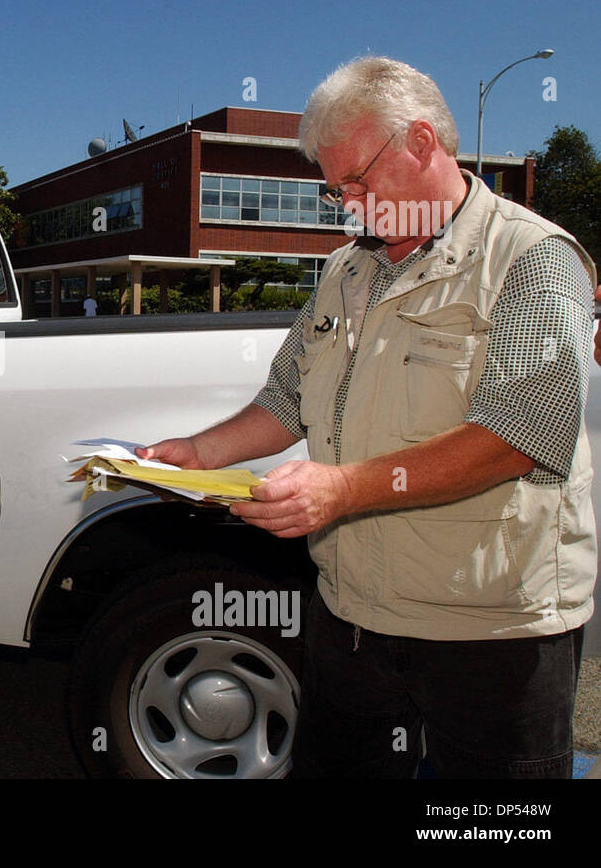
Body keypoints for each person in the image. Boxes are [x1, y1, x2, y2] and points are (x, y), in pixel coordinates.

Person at [137, 56, 596, 778]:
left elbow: (520, 436)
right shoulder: (348, 270)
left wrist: (341, 490)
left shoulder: (532, 258)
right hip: (351, 617)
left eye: (357, 181)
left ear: (421, 142)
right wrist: (199, 453)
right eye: (334, 189)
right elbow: (286, 397)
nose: (347, 204)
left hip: (490, 629)